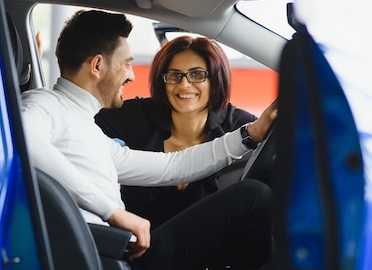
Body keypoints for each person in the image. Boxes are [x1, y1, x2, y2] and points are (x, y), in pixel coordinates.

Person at [21, 10, 277, 270]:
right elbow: (25, 144)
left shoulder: (86, 126)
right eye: (126, 63)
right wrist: (112, 212)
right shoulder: (44, 104)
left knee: (251, 198)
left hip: (110, 257)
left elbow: (172, 166)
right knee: (253, 198)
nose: (131, 75)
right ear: (97, 66)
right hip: (105, 265)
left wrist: (250, 135)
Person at [95, 35, 257, 229]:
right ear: (163, 81)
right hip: (137, 249)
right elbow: (81, 119)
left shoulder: (240, 125)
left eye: (197, 74)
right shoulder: (137, 116)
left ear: (215, 79)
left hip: (213, 254)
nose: (184, 85)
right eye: (174, 75)